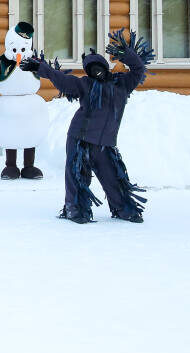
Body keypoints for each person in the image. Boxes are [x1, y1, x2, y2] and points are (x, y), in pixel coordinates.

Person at [21, 29, 152, 224]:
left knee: (113, 177)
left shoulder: (122, 83)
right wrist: (40, 67)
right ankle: (76, 209)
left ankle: (124, 209)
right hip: (80, 138)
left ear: (105, 66)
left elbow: (139, 70)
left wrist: (127, 54)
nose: (95, 71)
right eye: (91, 69)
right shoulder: (84, 84)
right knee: (77, 176)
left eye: (98, 66)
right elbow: (62, 80)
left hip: (105, 143)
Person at [0, 22, 48, 180]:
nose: (18, 53)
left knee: (30, 135)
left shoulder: (33, 62)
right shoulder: (2, 63)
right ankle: (10, 166)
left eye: (22, 49)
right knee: (10, 136)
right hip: (7, 108)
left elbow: (47, 73)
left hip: (31, 107)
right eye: (15, 49)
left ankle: (29, 166)